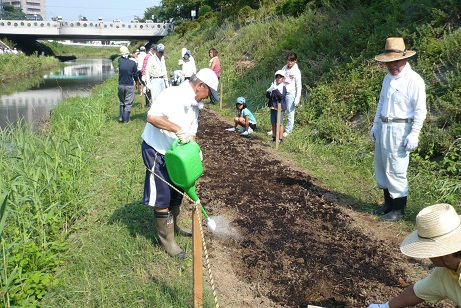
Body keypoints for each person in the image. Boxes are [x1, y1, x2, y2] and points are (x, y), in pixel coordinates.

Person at [141, 68, 219, 258]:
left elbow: (191, 133)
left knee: (177, 191)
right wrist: (177, 130)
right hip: (157, 150)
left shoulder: (193, 105)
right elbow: (152, 117)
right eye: (207, 95)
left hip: (177, 155)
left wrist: (195, 151)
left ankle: (174, 226)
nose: (205, 100)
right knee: (162, 195)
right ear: (200, 86)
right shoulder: (172, 94)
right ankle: (167, 240)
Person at [370, 37, 427, 222]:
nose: (392, 66)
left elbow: (420, 110)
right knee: (381, 165)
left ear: (405, 59)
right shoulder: (388, 79)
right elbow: (381, 103)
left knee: (396, 168)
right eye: (389, 63)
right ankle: (387, 204)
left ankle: (398, 210)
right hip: (384, 125)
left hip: (400, 128)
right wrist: (376, 124)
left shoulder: (414, 80)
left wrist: (414, 133)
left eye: (396, 62)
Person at [368, 203, 461, 307]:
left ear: (446, 254)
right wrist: (385, 306)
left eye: (428, 251)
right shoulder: (445, 274)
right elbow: (416, 292)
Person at [117, 46, 137, 123]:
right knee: (128, 103)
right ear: (128, 53)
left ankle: (121, 117)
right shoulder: (133, 63)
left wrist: (130, 55)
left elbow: (123, 58)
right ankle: (126, 120)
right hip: (129, 85)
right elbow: (135, 75)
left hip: (121, 85)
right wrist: (137, 83)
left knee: (122, 102)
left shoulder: (119, 61)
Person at [266, 70, 287, 143]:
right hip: (273, 106)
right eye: (277, 77)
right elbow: (268, 96)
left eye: (280, 77)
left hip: (279, 108)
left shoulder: (283, 87)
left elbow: (281, 96)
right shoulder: (274, 85)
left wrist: (276, 89)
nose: (278, 79)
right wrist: (269, 91)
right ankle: (274, 137)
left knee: (280, 123)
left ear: (283, 78)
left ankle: (280, 139)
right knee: (273, 122)